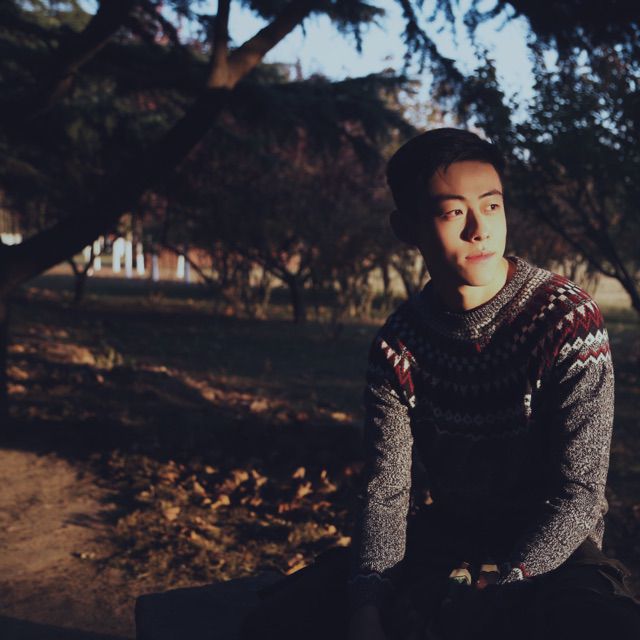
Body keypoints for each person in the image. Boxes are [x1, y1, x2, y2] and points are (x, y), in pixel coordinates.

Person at [241, 128, 640, 640]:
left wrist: (500, 588)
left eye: (492, 206)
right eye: (453, 212)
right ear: (406, 227)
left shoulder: (565, 320)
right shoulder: (400, 344)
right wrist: (366, 606)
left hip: (554, 553)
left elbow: (579, 494)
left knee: (598, 625)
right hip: (449, 536)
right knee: (282, 618)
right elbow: (387, 492)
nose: (480, 230)